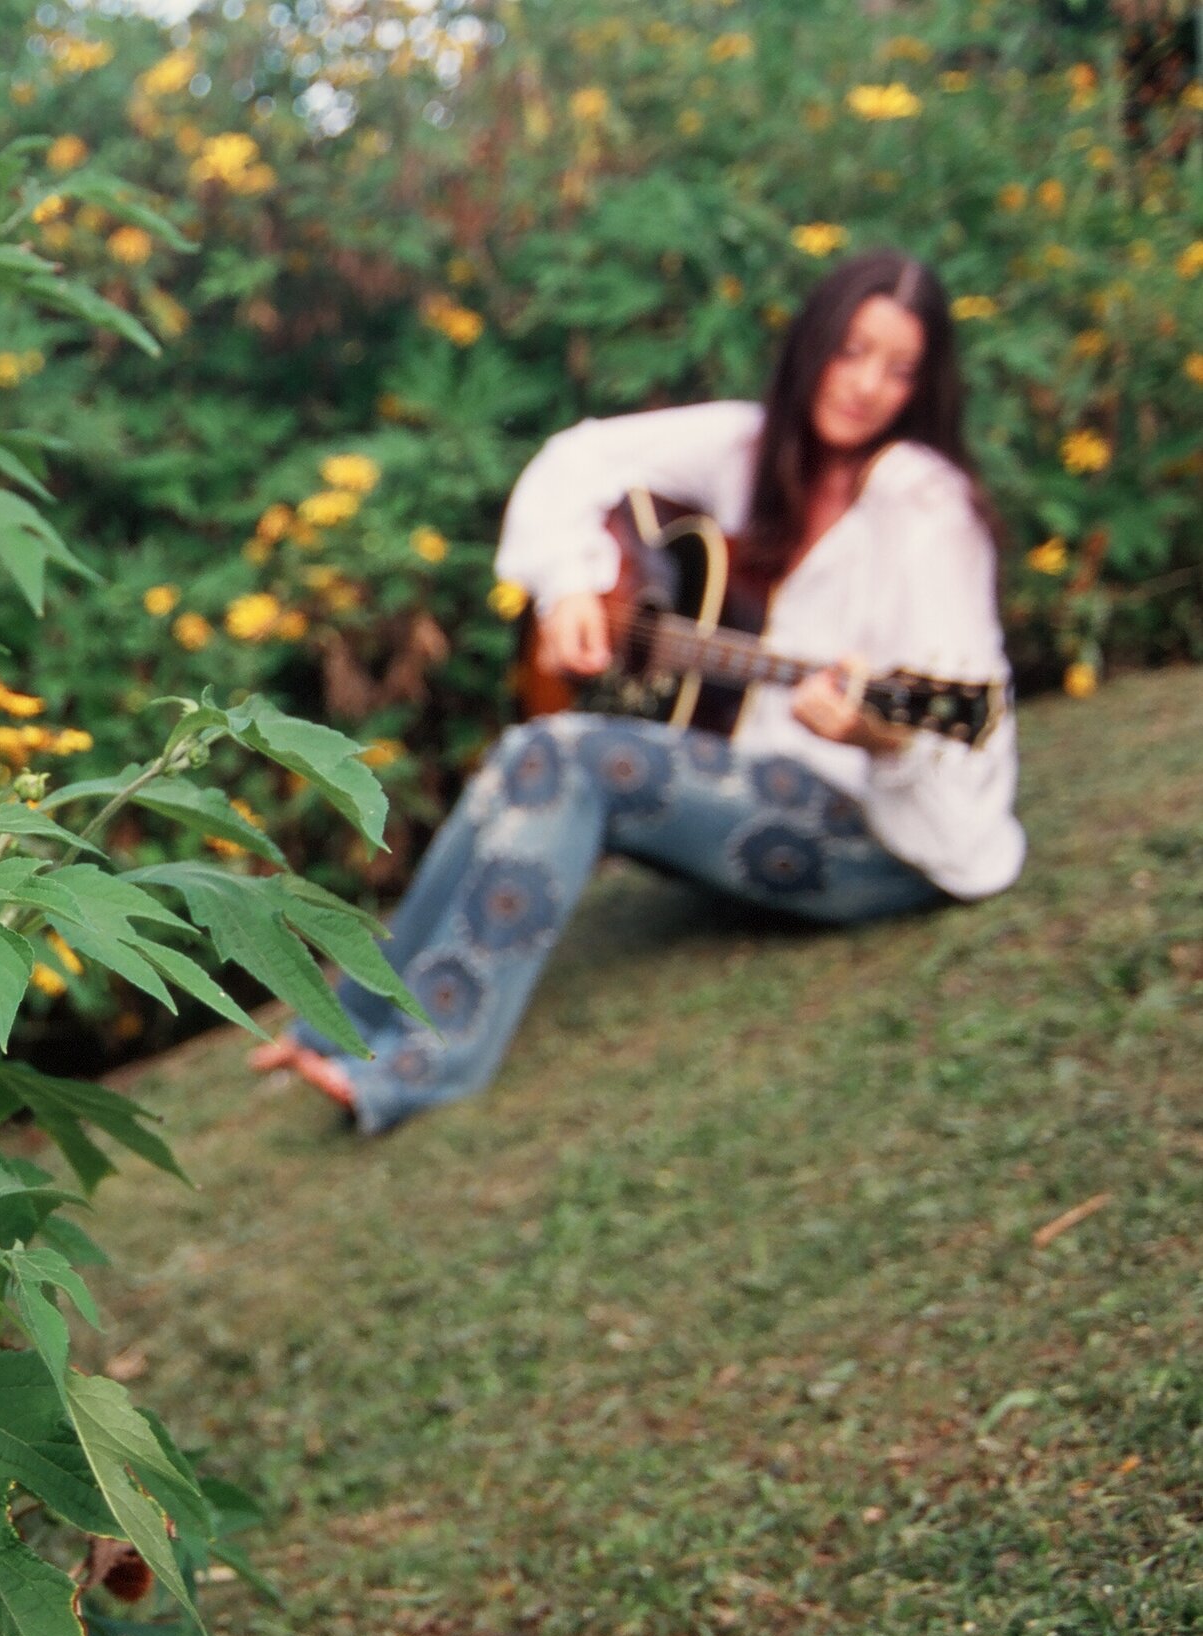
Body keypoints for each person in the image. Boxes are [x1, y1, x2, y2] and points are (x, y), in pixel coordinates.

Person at [250, 250, 1026, 1134]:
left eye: (898, 369)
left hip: (891, 845)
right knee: (529, 748)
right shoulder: (754, 446)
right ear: (813, 343)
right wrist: (571, 585)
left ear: (924, 388)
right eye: (852, 351)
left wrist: (868, 730)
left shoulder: (925, 504)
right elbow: (577, 458)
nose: (865, 386)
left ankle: (416, 1066)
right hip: (770, 783)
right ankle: (342, 1020)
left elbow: (956, 713)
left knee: (567, 755)